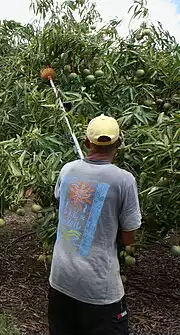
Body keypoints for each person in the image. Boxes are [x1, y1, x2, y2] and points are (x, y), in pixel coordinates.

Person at [48, 114, 142, 335]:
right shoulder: (123, 180)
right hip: (98, 288)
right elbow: (129, 239)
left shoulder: (67, 170)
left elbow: (64, 202)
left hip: (61, 278)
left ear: (86, 143)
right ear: (119, 143)